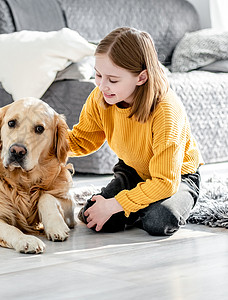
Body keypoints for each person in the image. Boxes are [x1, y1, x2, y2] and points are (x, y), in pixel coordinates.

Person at [68, 27, 202, 236]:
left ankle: (154, 205)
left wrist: (115, 205)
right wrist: (43, 142)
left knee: (159, 220)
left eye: (113, 80)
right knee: (91, 217)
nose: (103, 86)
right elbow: (81, 140)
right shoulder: (100, 97)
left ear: (141, 78)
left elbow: (165, 182)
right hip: (134, 171)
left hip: (177, 177)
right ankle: (140, 203)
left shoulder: (166, 111)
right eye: (98, 75)